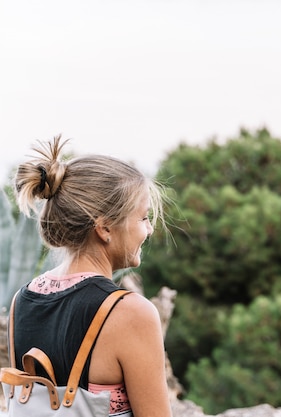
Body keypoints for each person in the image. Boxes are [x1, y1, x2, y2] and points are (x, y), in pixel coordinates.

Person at [10, 135, 172, 417]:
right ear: (105, 227)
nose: (149, 230)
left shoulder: (21, 302)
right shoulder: (131, 313)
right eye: (143, 218)